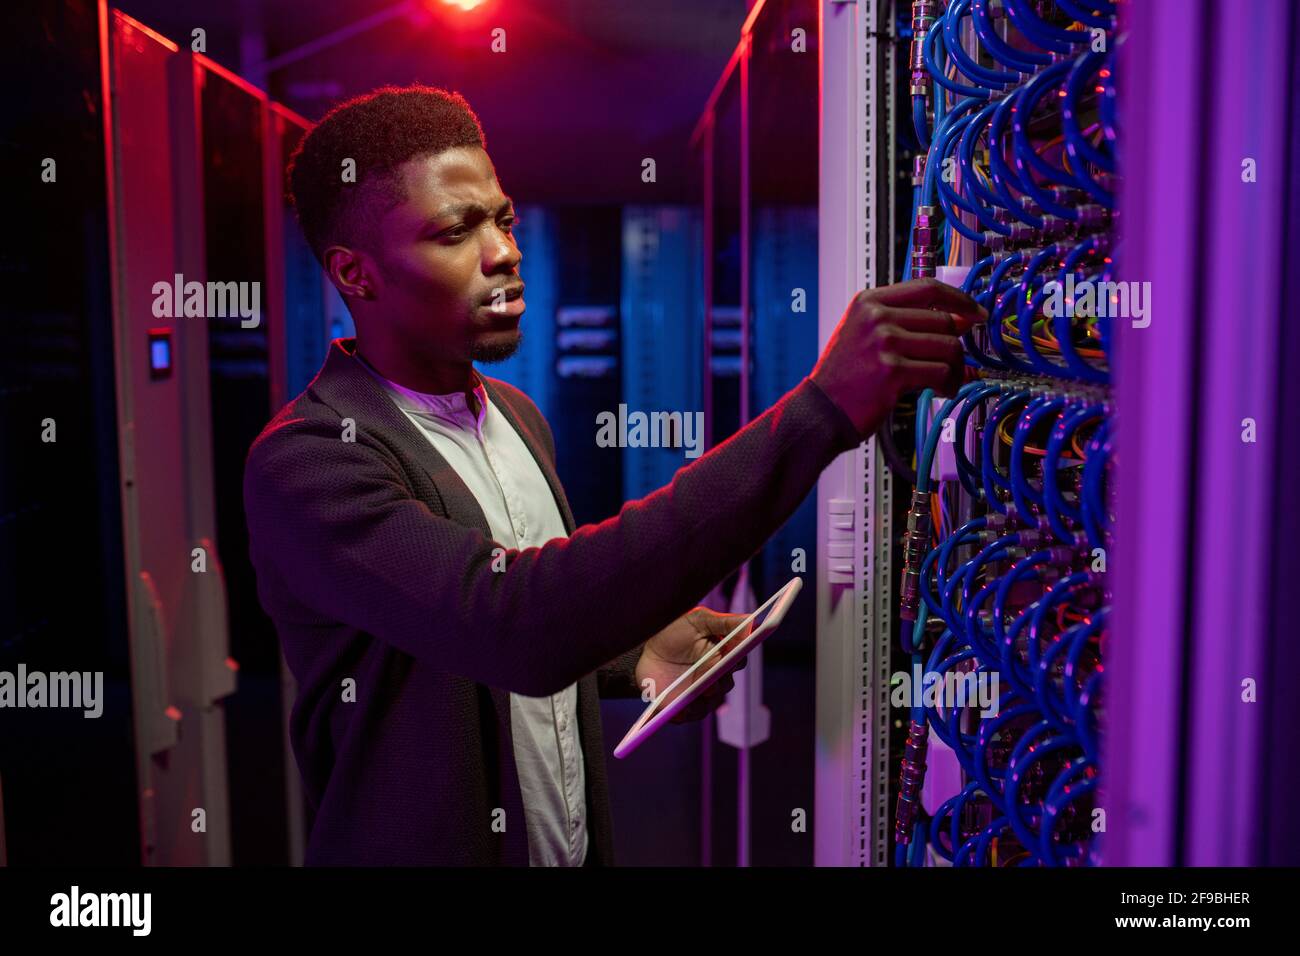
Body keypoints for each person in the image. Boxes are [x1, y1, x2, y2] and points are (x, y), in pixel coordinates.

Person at [242, 84, 983, 866]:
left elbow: (470, 636)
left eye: (502, 220)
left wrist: (634, 657)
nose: (503, 253)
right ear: (356, 275)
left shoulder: (515, 416)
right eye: (455, 231)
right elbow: (509, 623)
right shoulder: (311, 460)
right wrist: (817, 414)